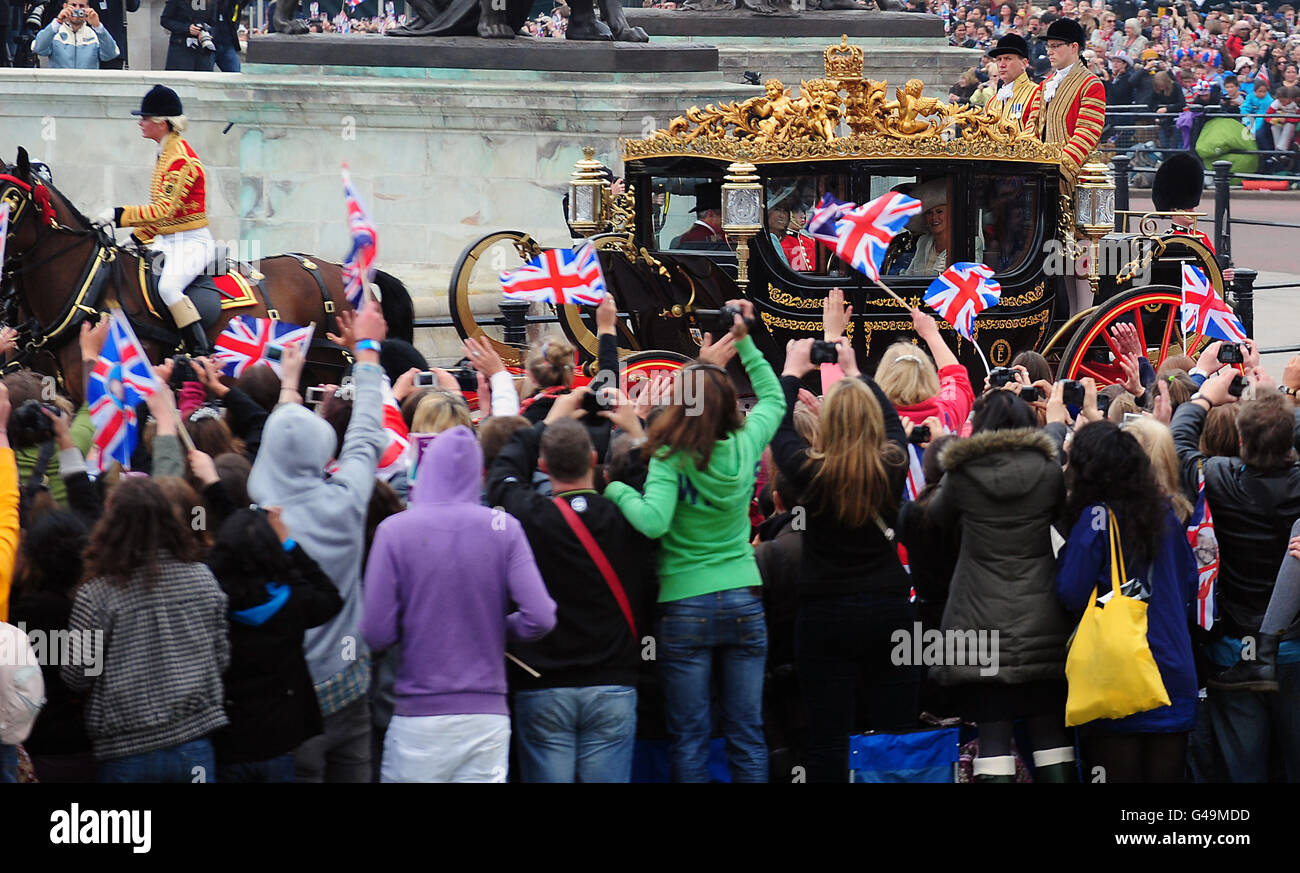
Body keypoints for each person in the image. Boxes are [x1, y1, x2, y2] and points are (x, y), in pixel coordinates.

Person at [603, 298, 785, 783]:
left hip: (684, 603)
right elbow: (773, 399)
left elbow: (653, 522)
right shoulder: (746, 445)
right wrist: (746, 342)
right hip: (744, 597)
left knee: (690, 735)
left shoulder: (668, 457)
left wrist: (617, 488)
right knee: (747, 729)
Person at [362, 426, 556, 782]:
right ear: (478, 473)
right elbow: (541, 616)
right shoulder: (504, 527)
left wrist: (419, 623)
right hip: (487, 714)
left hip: (418, 714)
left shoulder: (395, 531)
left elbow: (375, 633)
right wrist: (497, 627)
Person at [247, 303, 388, 783]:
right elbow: (367, 434)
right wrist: (366, 354)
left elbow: (284, 446)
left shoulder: (254, 527)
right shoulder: (345, 501)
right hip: (348, 687)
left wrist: (288, 387)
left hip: (290, 697)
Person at [770, 335, 919, 782]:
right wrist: (855, 372)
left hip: (825, 613)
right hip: (890, 609)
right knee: (895, 738)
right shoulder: (891, 462)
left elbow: (777, 431)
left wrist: (791, 372)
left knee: (828, 741)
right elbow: (893, 426)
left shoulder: (810, 471)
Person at [486, 406, 656, 783]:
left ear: (543, 465)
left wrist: (541, 425)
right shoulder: (628, 516)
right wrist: (638, 431)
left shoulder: (531, 515)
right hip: (613, 682)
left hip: (545, 683)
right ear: (594, 460)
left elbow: (502, 478)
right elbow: (656, 491)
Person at [923, 391, 1076, 782]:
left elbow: (936, 520)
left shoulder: (962, 474)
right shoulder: (1047, 469)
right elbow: (1061, 516)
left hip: (979, 621)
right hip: (1043, 617)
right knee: (1050, 732)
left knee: (993, 735)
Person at [1171, 373, 1300, 781]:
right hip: (1295, 647)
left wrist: (1204, 396)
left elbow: (1178, 444)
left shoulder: (1218, 477)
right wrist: (1280, 401)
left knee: (1244, 770)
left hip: (1234, 649)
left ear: (1241, 442)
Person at [62, 478, 229, 783]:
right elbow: (221, 658)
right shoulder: (203, 579)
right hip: (193, 742)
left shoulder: (98, 594)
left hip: (125, 752)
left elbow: (77, 676)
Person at [1057, 422, 1198, 782]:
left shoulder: (1096, 518)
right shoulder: (1166, 513)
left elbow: (1071, 592)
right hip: (1172, 667)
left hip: (1117, 670)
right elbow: (1188, 584)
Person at [206, 507, 344, 783]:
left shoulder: (209, 603)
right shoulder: (293, 602)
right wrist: (289, 545)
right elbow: (331, 598)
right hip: (279, 741)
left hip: (228, 741)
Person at [96, 85, 214, 357]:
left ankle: (200, 351)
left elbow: (163, 210)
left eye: (145, 118)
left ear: (162, 123)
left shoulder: (181, 161)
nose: (140, 122)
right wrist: (135, 239)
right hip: (166, 241)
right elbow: (163, 218)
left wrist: (118, 214)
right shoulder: (165, 153)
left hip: (191, 243)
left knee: (169, 287)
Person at [1023, 18, 1108, 182]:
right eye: (1049, 46)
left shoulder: (1091, 84)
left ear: (1074, 47)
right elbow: (1031, 127)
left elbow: (1087, 133)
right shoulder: (1044, 84)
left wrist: (1058, 169)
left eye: (1055, 46)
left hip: (1073, 179)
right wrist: (1029, 163)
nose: (1049, 51)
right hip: (1041, 174)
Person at [31, 0, 119, 68]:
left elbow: (111, 54)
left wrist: (98, 26)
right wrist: (58, 21)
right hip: (60, 89)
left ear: (88, 8)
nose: (77, 9)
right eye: (73, 5)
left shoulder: (94, 34)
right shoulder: (55, 32)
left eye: (81, 6)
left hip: (87, 89)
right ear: (64, 6)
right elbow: (38, 48)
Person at [900, 179, 951, 276]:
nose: (934, 218)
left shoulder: (969, 243)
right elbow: (909, 275)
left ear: (950, 215)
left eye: (939, 212)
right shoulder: (923, 242)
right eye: (929, 213)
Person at [987, 33, 1038, 125]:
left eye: (1008, 59)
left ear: (1024, 63)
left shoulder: (1036, 94)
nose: (1002, 65)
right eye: (999, 59)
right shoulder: (993, 101)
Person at [160, 0, 217, 71]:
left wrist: (209, 34)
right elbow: (165, 20)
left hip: (203, 50)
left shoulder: (212, 2)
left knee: (203, 79)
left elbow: (214, 24)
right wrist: (186, 28)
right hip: (181, 48)